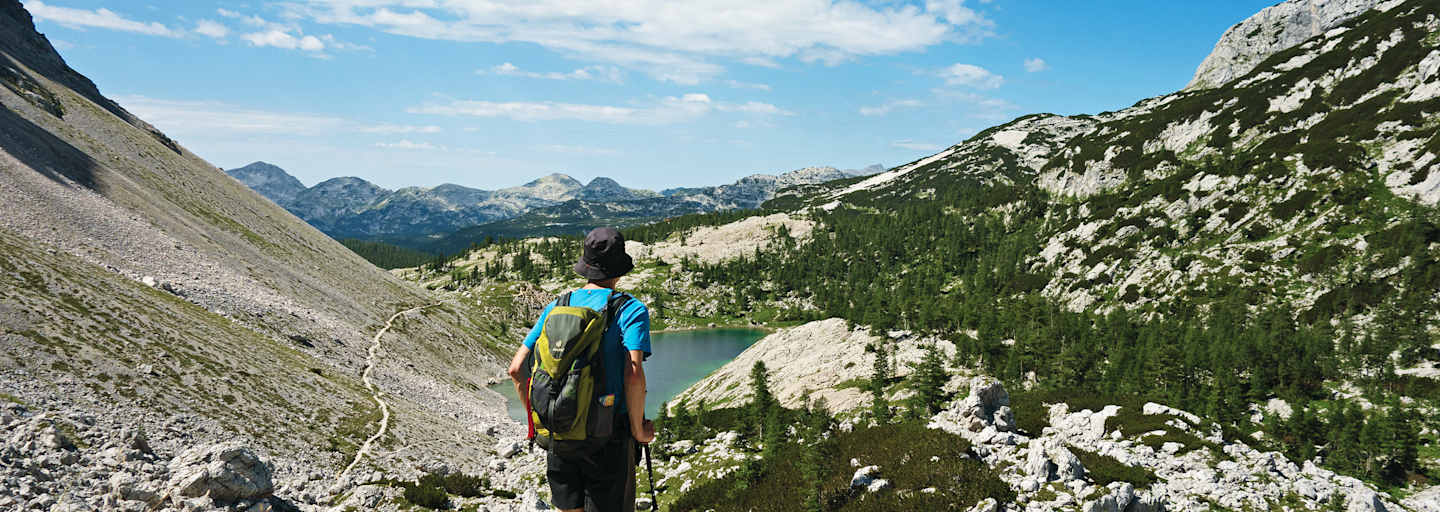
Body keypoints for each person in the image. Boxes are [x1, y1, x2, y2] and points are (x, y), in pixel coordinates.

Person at [508, 226, 655, 512]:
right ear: (619, 269)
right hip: (608, 437)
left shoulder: (557, 305)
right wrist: (638, 431)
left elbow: (516, 369)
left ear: (586, 265)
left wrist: (540, 423)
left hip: (560, 437)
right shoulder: (630, 309)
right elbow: (634, 373)